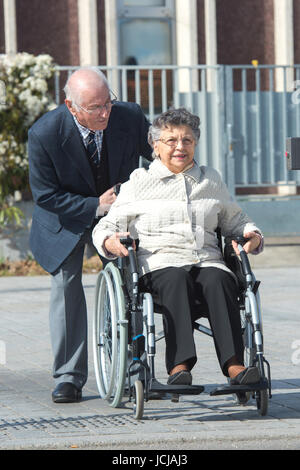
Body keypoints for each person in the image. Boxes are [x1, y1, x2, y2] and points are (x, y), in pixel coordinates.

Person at [92, 107, 264, 392]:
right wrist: (111, 242)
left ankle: (235, 365)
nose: (180, 147)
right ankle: (179, 367)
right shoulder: (139, 182)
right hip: (159, 265)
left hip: (206, 260)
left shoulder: (210, 180)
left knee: (220, 278)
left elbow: (236, 219)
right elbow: (105, 226)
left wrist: (252, 235)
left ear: (195, 143)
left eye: (187, 140)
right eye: (171, 141)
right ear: (155, 146)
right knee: (175, 277)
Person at [28, 67, 152, 403]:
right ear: (71, 106)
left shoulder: (129, 116)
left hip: (116, 213)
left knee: (129, 279)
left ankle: (133, 368)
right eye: (94, 108)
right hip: (66, 217)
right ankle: (68, 376)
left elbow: (160, 156)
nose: (105, 113)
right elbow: (45, 195)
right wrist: (95, 204)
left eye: (108, 103)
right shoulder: (44, 133)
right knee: (67, 285)